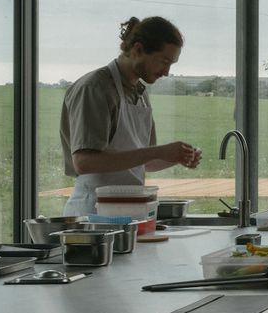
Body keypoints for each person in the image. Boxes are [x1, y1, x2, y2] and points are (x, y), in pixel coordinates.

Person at [58, 15, 202, 217]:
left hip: (129, 211)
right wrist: (158, 151)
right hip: (93, 215)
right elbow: (85, 162)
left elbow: (144, 161)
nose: (167, 72)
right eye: (163, 61)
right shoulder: (95, 88)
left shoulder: (140, 92)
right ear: (138, 50)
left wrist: (176, 157)